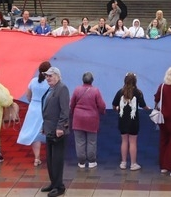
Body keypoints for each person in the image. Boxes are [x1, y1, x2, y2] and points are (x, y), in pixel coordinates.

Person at [40, 66, 70, 197]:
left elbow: (65, 111)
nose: (47, 78)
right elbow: (47, 111)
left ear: (57, 76)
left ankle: (59, 186)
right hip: (49, 129)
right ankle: (53, 183)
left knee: (57, 159)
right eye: (46, 76)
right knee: (50, 159)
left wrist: (60, 127)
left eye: (50, 76)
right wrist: (44, 126)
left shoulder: (62, 89)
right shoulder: (51, 89)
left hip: (57, 131)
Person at [112, 72, 149, 171]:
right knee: (133, 142)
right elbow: (143, 105)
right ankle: (133, 164)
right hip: (134, 122)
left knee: (124, 141)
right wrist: (148, 108)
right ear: (135, 81)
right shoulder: (138, 92)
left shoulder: (120, 92)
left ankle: (123, 163)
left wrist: (117, 109)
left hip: (122, 121)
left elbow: (114, 105)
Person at [70, 72, 106, 169]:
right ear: (92, 80)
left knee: (79, 141)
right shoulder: (95, 91)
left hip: (78, 119)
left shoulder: (77, 90)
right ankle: (91, 161)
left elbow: (72, 104)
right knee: (91, 141)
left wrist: (73, 113)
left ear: (83, 80)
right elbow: (102, 105)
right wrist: (102, 112)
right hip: (91, 119)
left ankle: (81, 162)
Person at [18, 62, 52, 167]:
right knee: (47, 131)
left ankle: (37, 158)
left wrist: (32, 102)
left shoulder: (33, 81)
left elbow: (28, 95)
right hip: (45, 108)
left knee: (34, 133)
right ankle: (50, 156)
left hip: (33, 108)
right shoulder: (49, 83)